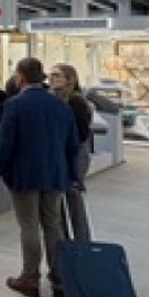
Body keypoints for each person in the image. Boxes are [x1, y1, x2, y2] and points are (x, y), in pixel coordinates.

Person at [0, 57, 79, 297]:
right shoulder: (61, 106)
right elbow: (72, 144)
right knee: (53, 224)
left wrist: (3, 170)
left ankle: (30, 278)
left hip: (25, 175)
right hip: (55, 174)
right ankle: (59, 279)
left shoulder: (15, 105)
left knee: (29, 224)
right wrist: (71, 175)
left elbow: (6, 144)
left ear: (21, 77)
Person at [49, 63, 93, 241]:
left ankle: (82, 241)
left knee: (73, 197)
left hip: (75, 155)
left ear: (69, 79)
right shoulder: (53, 99)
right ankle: (63, 241)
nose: (52, 79)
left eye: (56, 75)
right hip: (58, 154)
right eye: (51, 75)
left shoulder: (76, 102)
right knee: (56, 201)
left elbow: (82, 132)